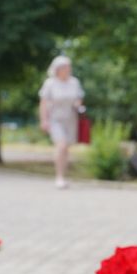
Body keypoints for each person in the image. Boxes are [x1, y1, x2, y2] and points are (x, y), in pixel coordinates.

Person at [39, 55, 84, 189]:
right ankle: (59, 177)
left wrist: (78, 104)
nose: (68, 69)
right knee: (61, 145)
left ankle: (63, 175)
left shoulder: (74, 82)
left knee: (66, 148)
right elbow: (43, 103)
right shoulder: (50, 83)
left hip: (70, 118)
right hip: (55, 118)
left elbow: (79, 98)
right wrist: (44, 120)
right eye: (65, 67)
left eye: (69, 67)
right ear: (58, 69)